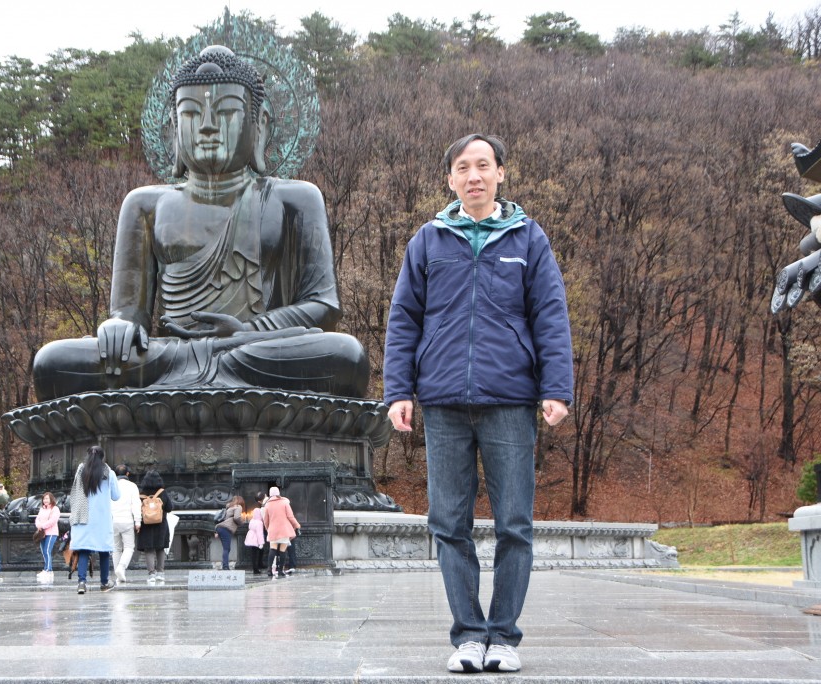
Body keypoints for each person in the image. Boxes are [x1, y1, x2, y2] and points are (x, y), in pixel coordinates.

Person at [31, 45, 369, 401]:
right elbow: (130, 315)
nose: (208, 126)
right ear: (174, 129)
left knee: (345, 355)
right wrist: (119, 328)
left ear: (259, 125)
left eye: (226, 112)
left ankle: (181, 393)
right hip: (169, 353)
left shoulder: (295, 198)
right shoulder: (144, 204)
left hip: (255, 348)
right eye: (191, 113)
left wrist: (249, 331)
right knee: (53, 363)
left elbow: (324, 305)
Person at [384, 133, 574, 674]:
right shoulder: (428, 240)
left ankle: (504, 637)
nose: (474, 175)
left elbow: (550, 316)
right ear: (450, 179)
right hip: (443, 401)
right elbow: (404, 319)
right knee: (449, 523)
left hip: (510, 400)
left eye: (483, 165)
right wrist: (398, 390)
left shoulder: (529, 238)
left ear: (500, 173)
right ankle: (469, 635)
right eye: (463, 167)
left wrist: (556, 388)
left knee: (515, 523)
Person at [68, 445, 121, 594]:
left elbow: (74, 491)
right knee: (104, 551)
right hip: (102, 519)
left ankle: (81, 582)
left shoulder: (81, 470)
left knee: (84, 550)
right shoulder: (108, 472)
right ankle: (104, 582)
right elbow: (116, 496)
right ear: (102, 457)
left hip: (83, 516)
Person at [135, 470, 172, 583]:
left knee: (149, 549)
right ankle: (160, 573)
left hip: (146, 525)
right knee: (160, 548)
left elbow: (137, 510)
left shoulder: (141, 494)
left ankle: (151, 574)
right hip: (161, 525)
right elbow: (169, 508)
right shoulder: (162, 492)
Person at [110, 464, 142, 583]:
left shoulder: (111, 485)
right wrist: (137, 521)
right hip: (127, 520)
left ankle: (117, 573)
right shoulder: (132, 486)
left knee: (116, 549)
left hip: (113, 521)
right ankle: (121, 567)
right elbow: (136, 504)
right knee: (129, 547)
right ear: (127, 474)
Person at [261, 486, 300, 579]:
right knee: (283, 550)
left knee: (272, 549)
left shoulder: (267, 505)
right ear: (279, 493)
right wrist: (297, 525)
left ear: (270, 494)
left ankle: (269, 570)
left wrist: (268, 528)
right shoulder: (285, 502)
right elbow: (290, 516)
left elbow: (266, 520)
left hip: (273, 530)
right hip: (284, 529)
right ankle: (280, 570)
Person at [34, 492, 61, 584]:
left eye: (47, 498)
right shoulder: (42, 509)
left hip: (51, 533)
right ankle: (46, 568)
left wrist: (42, 526)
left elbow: (53, 521)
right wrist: (38, 525)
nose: (45, 500)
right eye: (44, 499)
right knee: (43, 551)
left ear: (51, 499)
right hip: (42, 533)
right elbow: (37, 519)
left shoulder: (55, 509)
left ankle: (48, 570)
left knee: (47, 550)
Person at [214, 495, 244, 571]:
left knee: (226, 548)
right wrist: (242, 523)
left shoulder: (229, 507)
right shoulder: (238, 507)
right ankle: (225, 566)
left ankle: (224, 564)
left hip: (220, 528)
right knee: (226, 548)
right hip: (226, 529)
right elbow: (237, 517)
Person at [244, 494, 266, 574]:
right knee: (259, 552)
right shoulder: (259, 522)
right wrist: (261, 543)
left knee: (254, 554)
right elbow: (260, 534)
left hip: (251, 538)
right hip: (256, 540)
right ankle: (256, 568)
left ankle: (256, 566)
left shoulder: (252, 520)